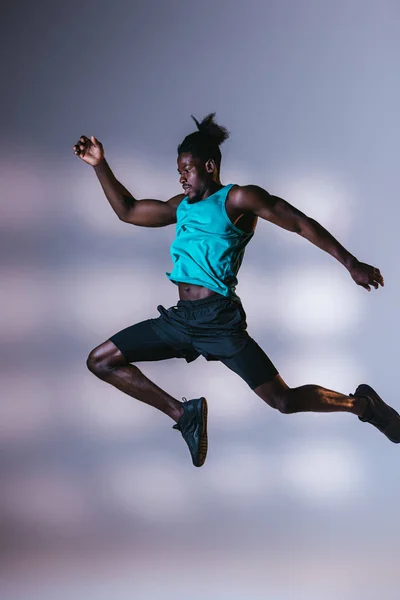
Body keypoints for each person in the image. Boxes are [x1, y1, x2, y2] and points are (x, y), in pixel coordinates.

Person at [73, 113, 399, 468]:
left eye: (187, 169)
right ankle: (184, 414)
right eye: (178, 170)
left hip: (219, 321)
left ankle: (362, 405)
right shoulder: (179, 207)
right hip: (181, 321)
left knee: (283, 400)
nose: (181, 177)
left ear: (210, 166)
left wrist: (351, 263)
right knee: (100, 361)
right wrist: (100, 164)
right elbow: (129, 210)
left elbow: (300, 223)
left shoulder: (238, 200)